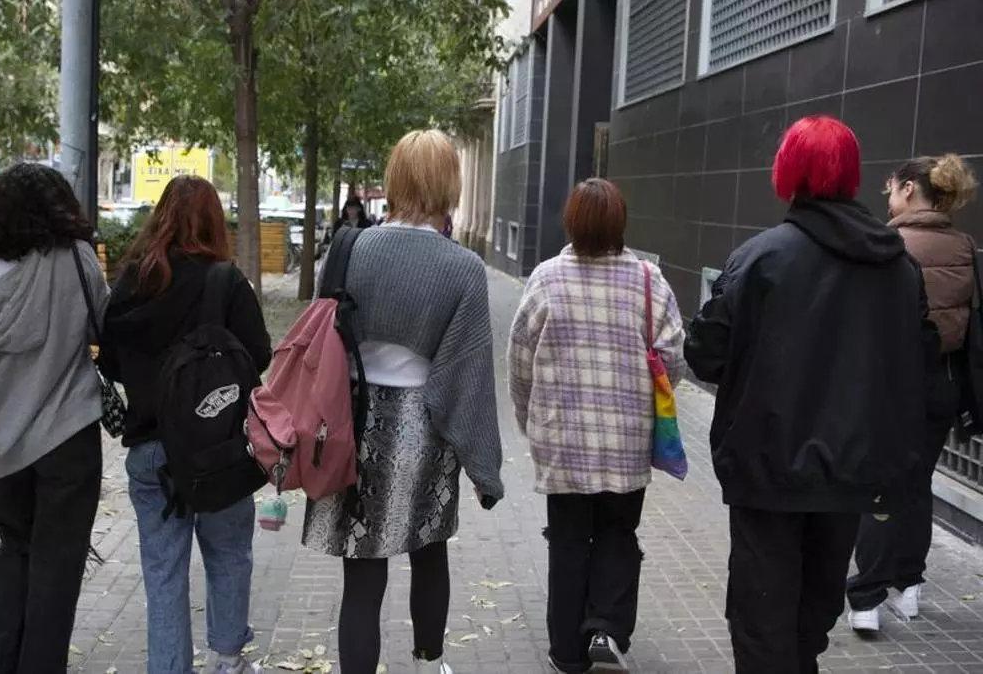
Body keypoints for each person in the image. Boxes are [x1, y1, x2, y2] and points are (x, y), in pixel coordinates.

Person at [684, 116, 934, 673]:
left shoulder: (762, 257)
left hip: (766, 469)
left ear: (788, 172)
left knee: (762, 619)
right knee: (812, 616)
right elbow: (919, 362)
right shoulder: (898, 268)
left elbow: (704, 353)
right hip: (851, 473)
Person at [302, 130, 505, 674]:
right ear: (449, 185)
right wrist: (485, 469)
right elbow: (467, 377)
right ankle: (428, 661)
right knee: (430, 550)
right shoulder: (463, 267)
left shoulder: (349, 249)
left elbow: (325, 340)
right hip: (424, 428)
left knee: (361, 576)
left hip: (353, 422)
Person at [509, 178, 685, 673]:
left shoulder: (546, 278)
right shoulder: (649, 280)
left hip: (563, 439)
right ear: (619, 223)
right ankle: (606, 627)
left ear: (571, 222)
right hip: (627, 439)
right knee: (618, 531)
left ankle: (567, 653)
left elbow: (519, 360)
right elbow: (673, 358)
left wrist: (527, 418)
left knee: (567, 540)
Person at [99, 175, 272, 674]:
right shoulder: (226, 282)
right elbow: (258, 355)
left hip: (151, 450)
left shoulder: (132, 282)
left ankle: (169, 666)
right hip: (219, 450)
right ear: (214, 221)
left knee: (162, 571)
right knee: (229, 554)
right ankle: (228, 659)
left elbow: (108, 359)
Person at [0, 163, 107, 673]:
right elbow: (103, 327)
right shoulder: (79, 260)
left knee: (16, 547)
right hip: (68, 436)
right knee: (58, 565)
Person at [848, 155, 979, 631]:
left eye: (891, 188)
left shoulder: (889, 244)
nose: (887, 197)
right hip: (942, 384)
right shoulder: (964, 245)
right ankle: (909, 586)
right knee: (918, 482)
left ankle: (867, 598)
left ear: (907, 189)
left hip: (890, 385)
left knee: (878, 484)